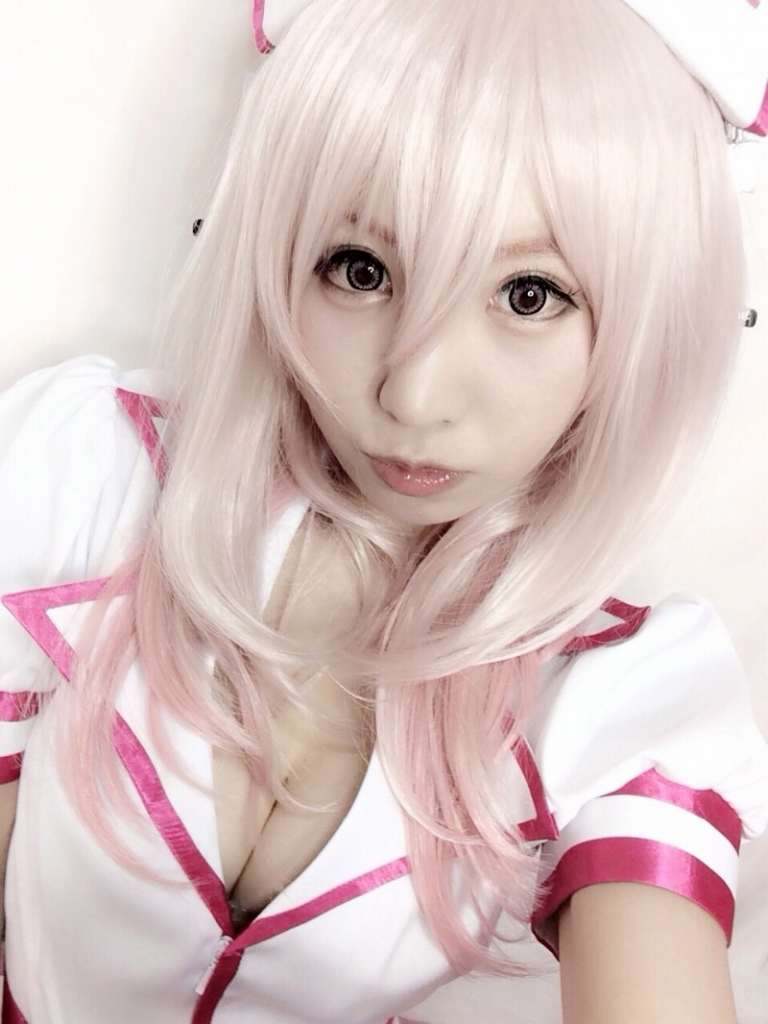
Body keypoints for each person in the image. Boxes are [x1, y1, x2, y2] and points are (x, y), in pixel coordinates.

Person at [1, 1, 767, 1021]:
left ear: (645, 322)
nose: (413, 394)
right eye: (361, 270)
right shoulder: (87, 474)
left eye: (529, 295)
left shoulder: (620, 692)